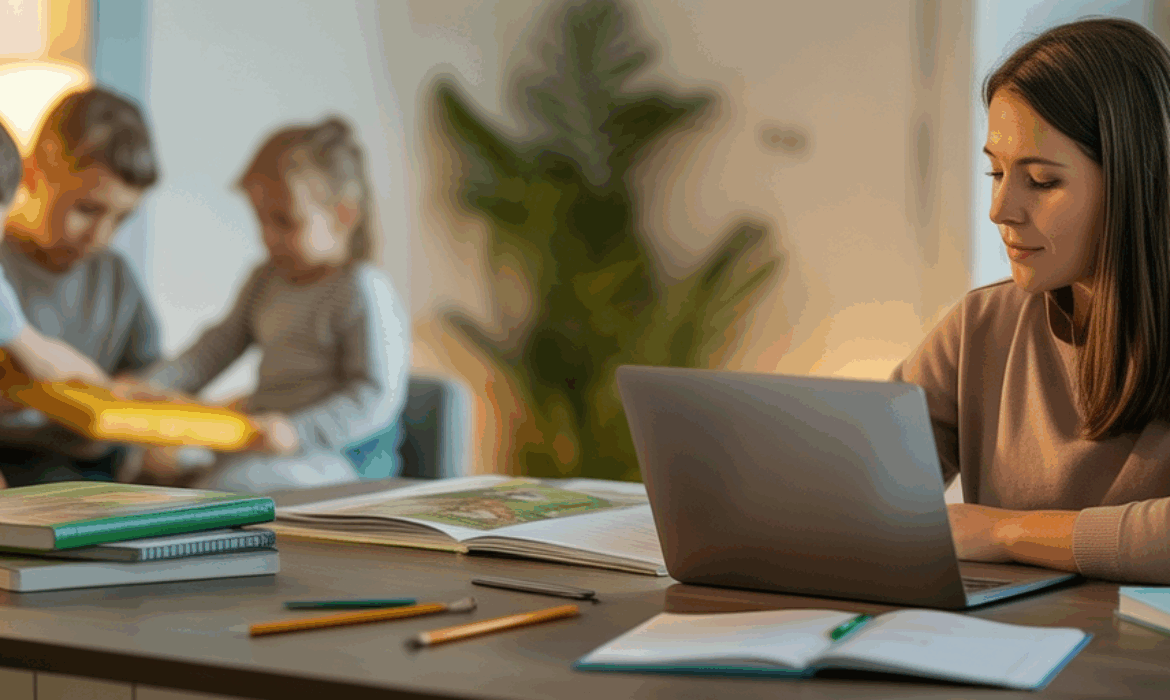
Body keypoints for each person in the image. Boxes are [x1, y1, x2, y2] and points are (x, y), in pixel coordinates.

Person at [893, 17, 1170, 584]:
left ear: (1136, 179)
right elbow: (860, 482)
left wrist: (1003, 531)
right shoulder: (982, 324)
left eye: (1041, 181)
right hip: (1003, 650)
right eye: (996, 172)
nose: (1001, 209)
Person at [139, 117, 411, 493]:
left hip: (343, 457)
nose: (268, 237)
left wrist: (297, 432)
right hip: (266, 442)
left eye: (285, 221)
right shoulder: (266, 279)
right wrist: (149, 387)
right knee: (153, 465)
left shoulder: (362, 289)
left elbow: (375, 396)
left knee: (231, 485)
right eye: (261, 220)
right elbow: (214, 349)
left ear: (344, 215)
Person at [0, 88, 172, 487]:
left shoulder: (114, 276)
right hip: (19, 457)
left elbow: (151, 370)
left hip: (100, 460)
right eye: (87, 209)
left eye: (121, 219)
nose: (101, 235)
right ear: (36, 172)